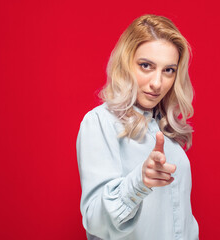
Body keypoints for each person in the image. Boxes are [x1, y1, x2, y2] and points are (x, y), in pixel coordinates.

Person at [76, 14, 199, 240]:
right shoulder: (100, 123)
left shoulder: (166, 131)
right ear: (126, 62)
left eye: (168, 70)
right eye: (146, 66)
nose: (157, 83)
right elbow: (95, 221)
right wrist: (139, 182)